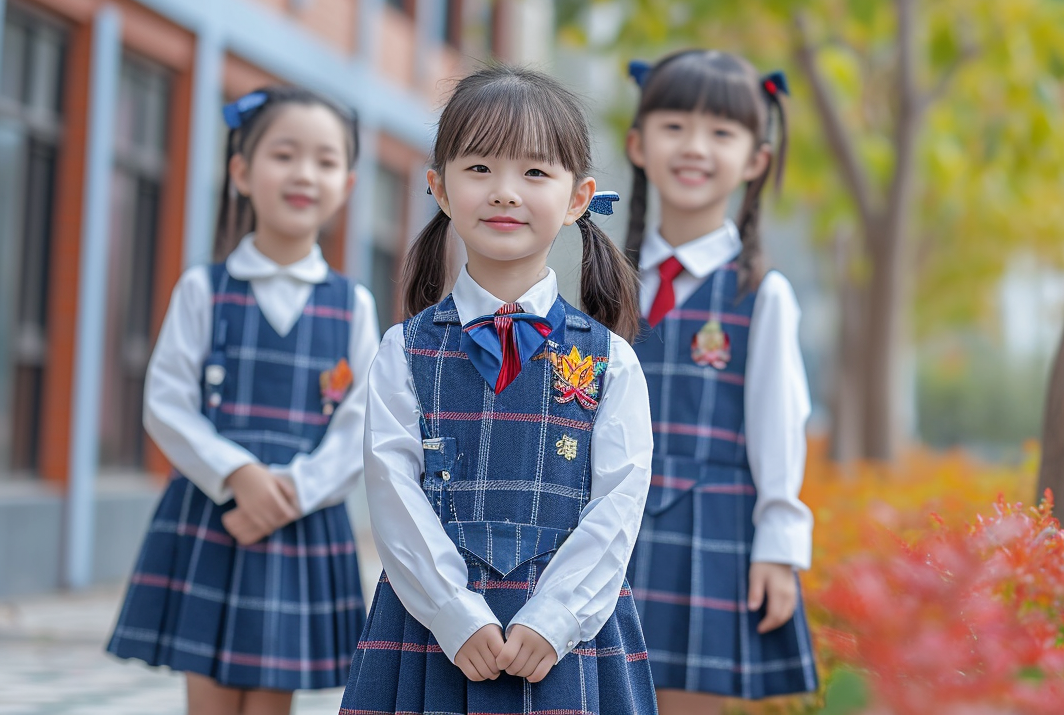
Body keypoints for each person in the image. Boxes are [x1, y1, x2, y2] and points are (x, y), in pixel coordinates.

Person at [338, 65, 656, 715]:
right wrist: (457, 616)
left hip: (570, 643)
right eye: (479, 167)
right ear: (440, 188)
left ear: (578, 198)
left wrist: (556, 618)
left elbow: (619, 507)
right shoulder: (403, 351)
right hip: (430, 632)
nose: (505, 192)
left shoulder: (612, 361)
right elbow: (392, 496)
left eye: (535, 173)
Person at [107, 88, 379, 714]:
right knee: (209, 697)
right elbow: (166, 401)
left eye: (326, 161)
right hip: (213, 512)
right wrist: (238, 474)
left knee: (269, 703)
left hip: (299, 520)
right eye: (284, 155)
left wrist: (292, 491)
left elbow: (360, 422)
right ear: (241, 171)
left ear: (348, 182)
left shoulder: (353, 304)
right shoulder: (205, 288)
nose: (305, 174)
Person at [621, 50, 818, 713]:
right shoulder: (604, 288)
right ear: (637, 143)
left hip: (710, 538)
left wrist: (779, 549)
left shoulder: (761, 295)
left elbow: (778, 431)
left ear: (756, 160)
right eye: (674, 126)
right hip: (603, 532)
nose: (695, 148)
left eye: (721, 133)